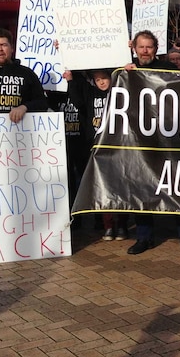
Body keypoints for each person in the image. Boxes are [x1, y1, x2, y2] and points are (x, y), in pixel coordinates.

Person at [125, 30, 180, 254]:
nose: (145, 51)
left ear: (155, 48)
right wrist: (123, 73)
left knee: (178, 187)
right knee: (142, 187)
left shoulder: (168, 70)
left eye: (149, 47)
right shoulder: (127, 71)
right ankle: (144, 237)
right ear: (135, 48)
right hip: (141, 141)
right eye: (141, 47)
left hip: (169, 139)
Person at [65, 68, 127, 241]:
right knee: (103, 188)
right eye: (97, 79)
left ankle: (122, 224)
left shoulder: (121, 93)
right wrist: (70, 80)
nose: (101, 82)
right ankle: (108, 226)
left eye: (104, 78)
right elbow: (77, 102)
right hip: (96, 148)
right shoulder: (90, 93)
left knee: (120, 188)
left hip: (118, 148)